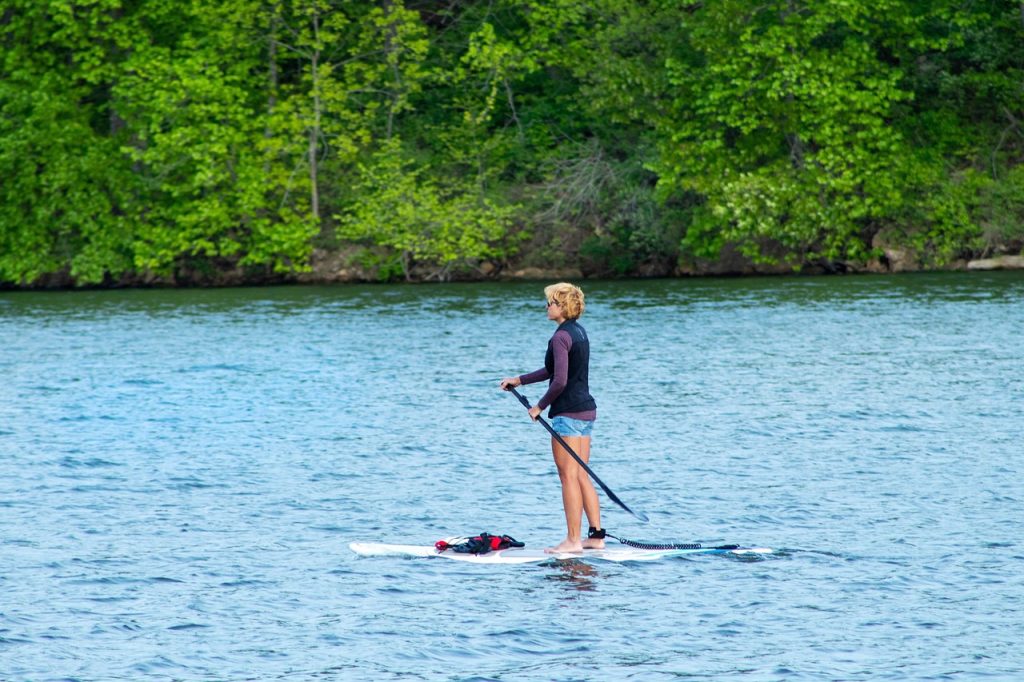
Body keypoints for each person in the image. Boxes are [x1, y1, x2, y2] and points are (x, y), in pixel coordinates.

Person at [500, 282, 604, 554]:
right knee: (581, 474)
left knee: (568, 476)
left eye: (550, 303)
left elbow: (559, 381)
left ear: (562, 306)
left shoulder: (560, 337)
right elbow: (552, 370)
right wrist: (519, 380)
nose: (547, 307)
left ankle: (572, 541)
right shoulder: (578, 332)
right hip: (586, 409)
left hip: (567, 413)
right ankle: (596, 536)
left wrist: (539, 407)